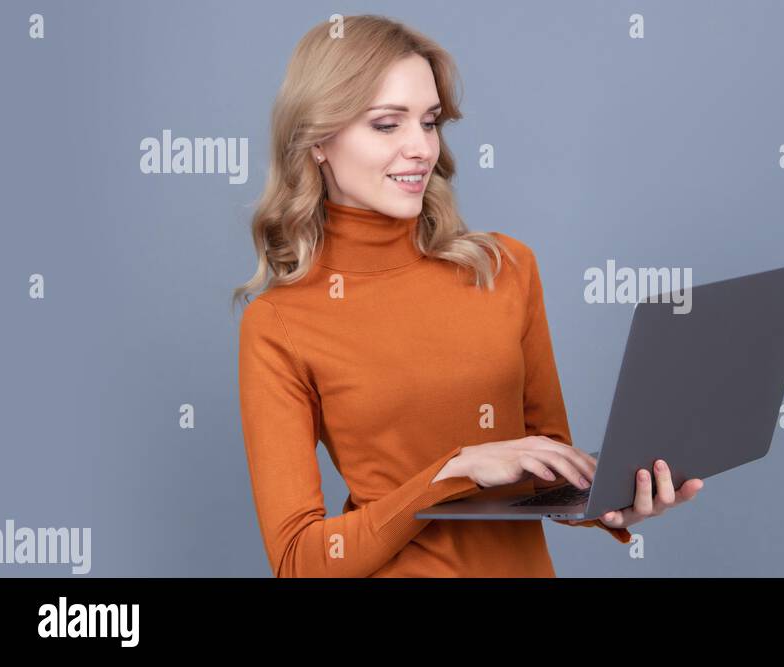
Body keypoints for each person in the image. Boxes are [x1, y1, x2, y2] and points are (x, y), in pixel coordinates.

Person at [231, 15, 703, 577]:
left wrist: (607, 500)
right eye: (387, 124)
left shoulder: (504, 268)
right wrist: (454, 472)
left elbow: (545, 457)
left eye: (429, 123)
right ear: (317, 143)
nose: (420, 149)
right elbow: (298, 560)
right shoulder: (282, 322)